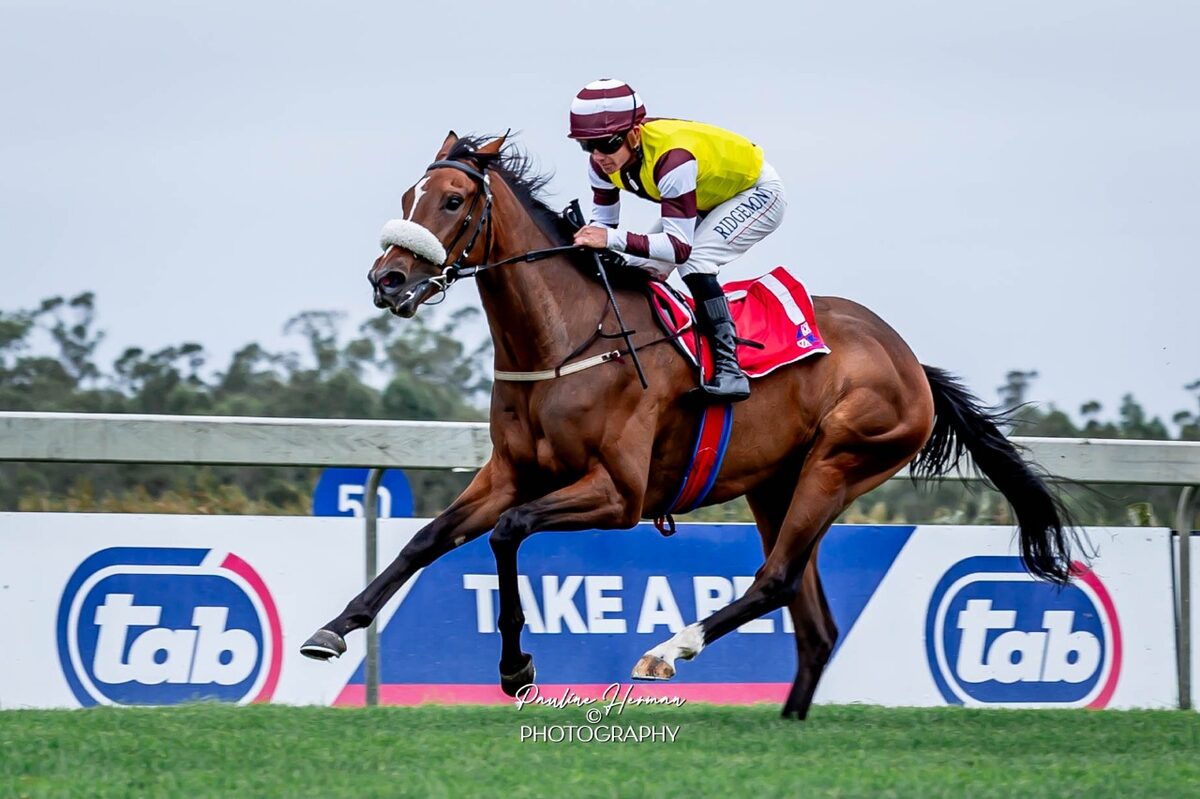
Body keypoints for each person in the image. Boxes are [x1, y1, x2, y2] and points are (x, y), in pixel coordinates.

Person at [568, 78, 787, 403]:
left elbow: (678, 249)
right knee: (639, 265)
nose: (598, 155)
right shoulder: (601, 166)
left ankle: (730, 369)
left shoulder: (673, 160)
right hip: (706, 197)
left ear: (634, 134)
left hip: (756, 192)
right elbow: (604, 227)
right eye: (588, 145)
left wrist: (608, 238)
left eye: (607, 144)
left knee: (696, 261)